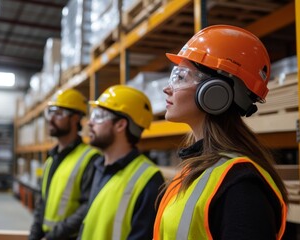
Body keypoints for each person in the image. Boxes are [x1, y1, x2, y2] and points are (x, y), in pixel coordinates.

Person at [153, 25, 288, 240]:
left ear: (216, 91)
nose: (167, 88)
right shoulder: (198, 168)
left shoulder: (240, 186)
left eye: (181, 77)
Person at [77, 85, 165, 240]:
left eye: (98, 115)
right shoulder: (98, 167)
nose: (90, 123)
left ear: (120, 125)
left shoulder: (148, 180)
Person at [29, 89, 100, 240]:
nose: (51, 119)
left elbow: (87, 208)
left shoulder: (90, 158)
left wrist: (53, 236)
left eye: (58, 113)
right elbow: (42, 201)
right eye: (50, 113)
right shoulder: (51, 159)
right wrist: (34, 235)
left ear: (75, 118)